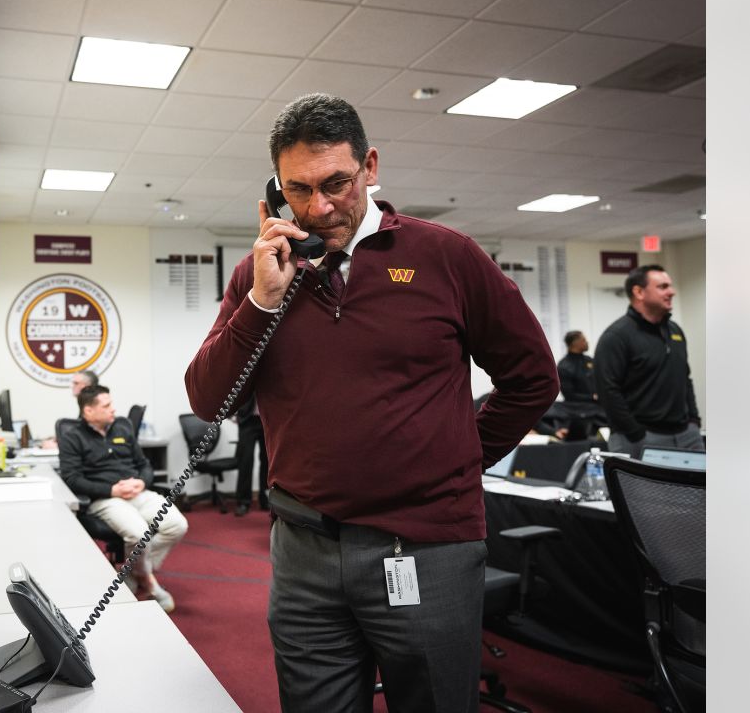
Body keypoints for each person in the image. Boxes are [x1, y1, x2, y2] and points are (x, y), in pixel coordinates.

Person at [185, 93, 558, 712]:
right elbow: (208, 399)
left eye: (336, 183)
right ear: (276, 190)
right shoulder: (264, 274)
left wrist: (460, 459)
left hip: (426, 547)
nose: (319, 206)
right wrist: (261, 301)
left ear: (371, 167)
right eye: (297, 189)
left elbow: (532, 377)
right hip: (303, 549)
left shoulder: (446, 256)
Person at [58, 384, 187, 612]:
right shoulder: (73, 438)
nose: (113, 410)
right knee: (139, 534)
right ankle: (148, 580)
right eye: (106, 406)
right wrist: (111, 490)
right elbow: (72, 479)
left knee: (177, 525)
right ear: (88, 411)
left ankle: (134, 571)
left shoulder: (122, 428)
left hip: (137, 492)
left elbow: (144, 464)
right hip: (105, 498)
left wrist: (142, 482)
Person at [594, 265, 703, 457]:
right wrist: (635, 433)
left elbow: (685, 378)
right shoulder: (617, 336)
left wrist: (693, 421)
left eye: (670, 286)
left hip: (686, 436)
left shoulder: (675, 331)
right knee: (644, 489)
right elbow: (608, 391)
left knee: (695, 488)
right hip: (640, 438)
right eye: (663, 287)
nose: (672, 292)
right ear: (639, 292)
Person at [40, 370, 102, 449]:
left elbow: (91, 442)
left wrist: (58, 446)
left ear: (87, 386)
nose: (72, 386)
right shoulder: (84, 404)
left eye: (76, 383)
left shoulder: (95, 407)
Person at [233, 397, 268, 517]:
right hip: (247, 419)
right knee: (245, 461)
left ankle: (266, 499)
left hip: (268, 419)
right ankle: (243, 502)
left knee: (268, 462)